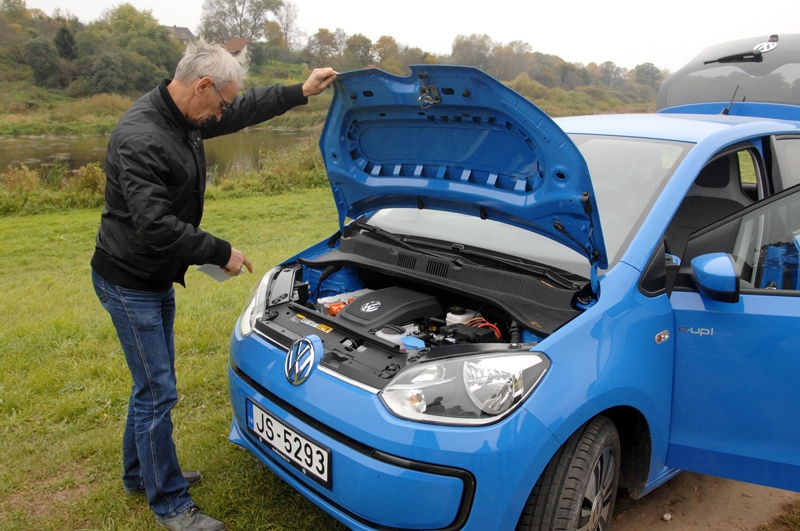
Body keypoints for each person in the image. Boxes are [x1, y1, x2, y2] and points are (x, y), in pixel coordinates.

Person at [90, 39, 337, 531]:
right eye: (219, 102)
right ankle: (171, 505)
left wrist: (300, 90)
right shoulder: (142, 136)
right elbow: (154, 226)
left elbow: (242, 109)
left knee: (151, 386)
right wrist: (219, 251)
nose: (220, 114)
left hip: (151, 276)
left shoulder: (184, 113)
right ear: (202, 85)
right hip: (129, 280)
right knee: (158, 390)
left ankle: (140, 473)